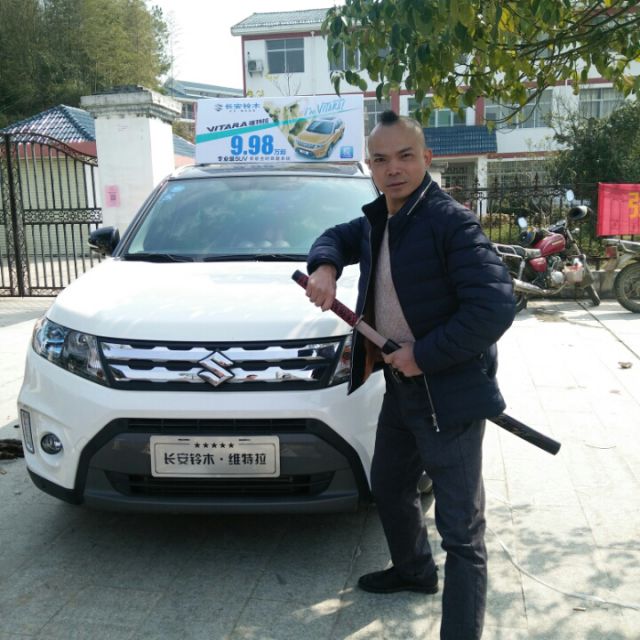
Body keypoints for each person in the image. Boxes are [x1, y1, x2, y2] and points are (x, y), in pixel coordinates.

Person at [304, 110, 516, 640]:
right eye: (380, 159)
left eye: (404, 156)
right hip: (401, 391)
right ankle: (414, 569)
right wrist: (325, 266)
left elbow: (494, 307)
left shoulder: (451, 223)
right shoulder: (380, 218)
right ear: (370, 166)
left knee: (461, 532)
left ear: (426, 158)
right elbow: (335, 237)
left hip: (449, 395)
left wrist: (424, 354)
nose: (393, 169)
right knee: (390, 484)